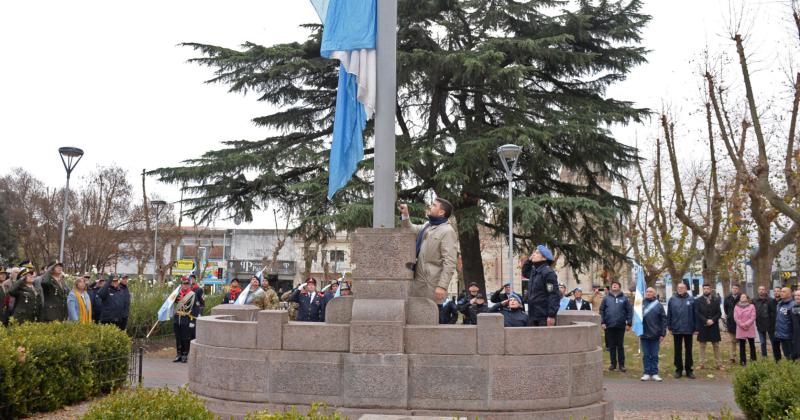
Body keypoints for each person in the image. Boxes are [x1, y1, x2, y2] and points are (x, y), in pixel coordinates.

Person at [398, 199, 458, 299]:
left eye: (434, 205)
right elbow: (410, 229)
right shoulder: (428, 225)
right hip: (419, 281)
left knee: (431, 313)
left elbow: (450, 262)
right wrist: (405, 215)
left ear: (441, 212)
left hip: (432, 285)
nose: (430, 206)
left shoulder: (447, 231)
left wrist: (442, 286)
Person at [521, 245, 560, 327]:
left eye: (537, 253)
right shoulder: (535, 272)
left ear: (544, 258)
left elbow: (553, 295)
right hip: (533, 315)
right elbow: (524, 272)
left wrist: (551, 315)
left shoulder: (548, 273)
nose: (534, 254)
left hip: (543, 317)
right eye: (534, 252)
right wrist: (529, 260)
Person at [600, 281, 632, 372]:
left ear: (619, 287)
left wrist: (629, 323)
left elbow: (629, 311)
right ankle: (613, 364)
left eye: (616, 285)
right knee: (611, 346)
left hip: (620, 326)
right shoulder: (606, 298)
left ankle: (621, 365)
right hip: (609, 325)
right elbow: (601, 311)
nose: (614, 285)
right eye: (613, 285)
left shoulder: (625, 299)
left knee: (620, 346)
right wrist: (602, 322)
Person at [667, 282, 696, 379]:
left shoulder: (691, 299)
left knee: (689, 350)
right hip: (676, 328)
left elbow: (695, 314)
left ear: (686, 289)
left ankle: (689, 370)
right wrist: (669, 327)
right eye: (679, 288)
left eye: (682, 288)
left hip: (688, 329)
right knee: (677, 350)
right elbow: (669, 314)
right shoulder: (672, 299)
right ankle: (678, 370)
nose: (680, 289)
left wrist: (696, 328)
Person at [640, 287, 667, 382]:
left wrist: (663, 334)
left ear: (654, 294)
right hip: (643, 334)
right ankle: (647, 373)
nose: (648, 293)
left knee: (655, 355)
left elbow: (664, 320)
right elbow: (636, 318)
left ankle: (655, 373)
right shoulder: (640, 304)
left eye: (650, 291)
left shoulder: (659, 305)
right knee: (646, 355)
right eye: (647, 291)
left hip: (656, 334)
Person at [695, 284, 723, 370]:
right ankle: (701, 364)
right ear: (702, 290)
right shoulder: (698, 300)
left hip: (713, 326)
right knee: (702, 345)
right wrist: (706, 320)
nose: (706, 290)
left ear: (710, 289)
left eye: (707, 288)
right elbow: (697, 313)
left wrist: (712, 320)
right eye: (704, 289)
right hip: (703, 326)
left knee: (716, 345)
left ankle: (719, 364)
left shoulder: (716, 299)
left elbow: (719, 313)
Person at [172, 277, 200, 363]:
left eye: (187, 284)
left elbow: (196, 308)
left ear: (189, 285)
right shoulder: (176, 294)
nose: (185, 286)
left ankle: (184, 354)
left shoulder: (192, 295)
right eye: (184, 284)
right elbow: (171, 305)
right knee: (178, 338)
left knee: (185, 338)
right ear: (181, 285)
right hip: (177, 318)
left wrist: (192, 321)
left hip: (186, 318)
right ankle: (178, 354)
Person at [753, 285, 778, 360]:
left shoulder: (771, 300)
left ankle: (776, 357)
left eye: (763, 289)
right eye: (760, 289)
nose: (761, 291)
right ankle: (764, 357)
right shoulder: (754, 300)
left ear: (765, 291)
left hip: (770, 324)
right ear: (758, 291)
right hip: (760, 324)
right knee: (763, 342)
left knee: (773, 342)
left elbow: (774, 312)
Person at [733, 293, 757, 366]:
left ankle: (753, 360)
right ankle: (743, 361)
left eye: (744, 297)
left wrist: (746, 324)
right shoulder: (736, 307)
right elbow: (736, 317)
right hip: (740, 328)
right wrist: (742, 324)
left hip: (749, 327)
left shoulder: (752, 306)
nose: (742, 298)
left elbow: (753, 316)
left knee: (752, 344)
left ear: (747, 298)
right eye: (741, 297)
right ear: (740, 298)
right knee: (742, 345)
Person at [775, 286, 795, 360]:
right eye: (781, 291)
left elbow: (794, 322)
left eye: (784, 292)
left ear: (789, 294)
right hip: (781, 334)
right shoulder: (779, 304)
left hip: (789, 335)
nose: (781, 293)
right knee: (786, 354)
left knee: (792, 355)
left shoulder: (793, 305)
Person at [723, 283, 742, 363]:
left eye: (736, 288)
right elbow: (725, 309)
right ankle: (732, 357)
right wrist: (730, 316)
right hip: (731, 322)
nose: (734, 290)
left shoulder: (742, 297)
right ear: (731, 289)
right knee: (732, 341)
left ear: (738, 289)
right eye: (733, 288)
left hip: (740, 323)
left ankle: (742, 357)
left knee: (741, 341)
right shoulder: (727, 298)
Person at [790, 290, 800, 360]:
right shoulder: (792, 307)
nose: (797, 297)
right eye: (796, 295)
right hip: (794, 333)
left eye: (799, 295)